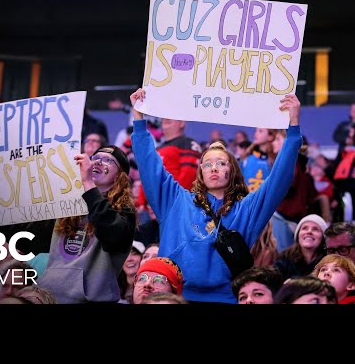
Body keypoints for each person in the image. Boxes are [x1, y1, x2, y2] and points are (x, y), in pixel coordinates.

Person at [130, 87, 302, 303]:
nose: (214, 168)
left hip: (226, 299)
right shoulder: (176, 201)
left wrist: (293, 129)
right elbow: (149, 165)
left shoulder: (247, 209)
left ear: (232, 170)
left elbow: (279, 179)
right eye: (208, 164)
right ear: (200, 171)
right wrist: (139, 119)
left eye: (221, 163)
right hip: (175, 298)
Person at [37, 144, 136, 303]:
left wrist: (88, 184)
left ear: (119, 177)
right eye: (95, 158)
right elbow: (36, 238)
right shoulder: (67, 205)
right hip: (50, 297)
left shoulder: (125, 211)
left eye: (107, 160)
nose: (97, 162)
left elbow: (113, 236)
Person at [274, 214, 327, 281]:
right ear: (298, 235)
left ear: (323, 237)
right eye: (304, 228)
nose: (309, 232)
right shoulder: (285, 258)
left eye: (315, 229)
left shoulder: (328, 261)